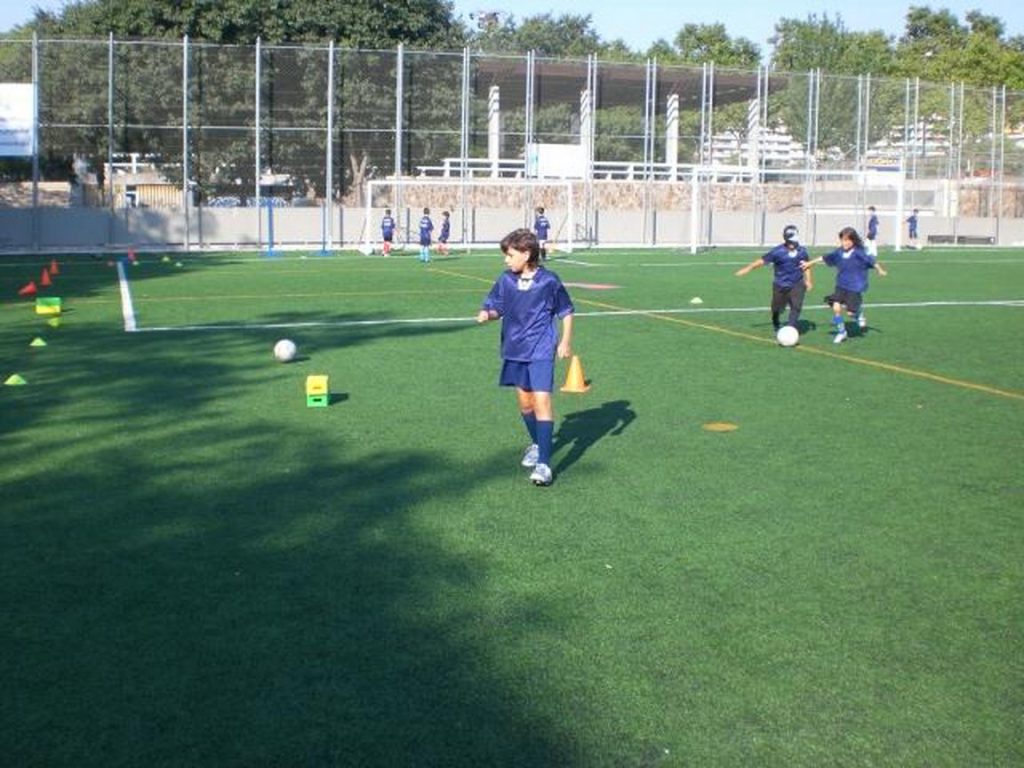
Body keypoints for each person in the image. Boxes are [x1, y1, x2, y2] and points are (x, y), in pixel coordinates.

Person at [477, 228, 575, 486]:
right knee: (525, 405)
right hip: (514, 349)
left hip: (541, 349)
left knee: (542, 402)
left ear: (526, 253)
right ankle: (537, 443)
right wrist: (489, 315)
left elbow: (566, 311)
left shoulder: (549, 281)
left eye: (509, 255)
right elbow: (497, 307)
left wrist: (564, 341)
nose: (506, 260)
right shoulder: (506, 280)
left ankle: (544, 463)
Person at [803, 226, 888, 344]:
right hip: (841, 285)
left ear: (853, 241)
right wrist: (809, 263)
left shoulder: (859, 253)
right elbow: (824, 257)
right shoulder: (839, 252)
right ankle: (842, 332)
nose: (845, 243)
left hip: (855, 286)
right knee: (836, 308)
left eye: (848, 240)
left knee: (850, 313)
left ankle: (859, 314)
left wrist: (880, 270)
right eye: (843, 240)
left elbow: (872, 261)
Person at [734, 224, 812, 332]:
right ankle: (775, 319)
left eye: (794, 241)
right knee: (777, 308)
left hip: (797, 284)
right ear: (785, 239)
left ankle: (790, 328)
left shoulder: (802, 251)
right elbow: (762, 261)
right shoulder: (777, 252)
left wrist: (808, 280)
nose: (792, 244)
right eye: (790, 241)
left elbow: (806, 266)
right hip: (780, 284)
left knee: (796, 306)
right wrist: (748, 268)